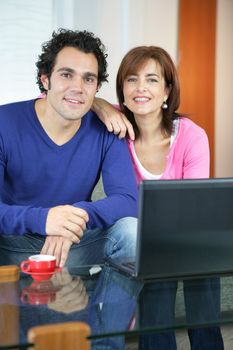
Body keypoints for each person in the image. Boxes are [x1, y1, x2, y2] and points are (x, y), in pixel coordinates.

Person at [95, 46, 224, 349]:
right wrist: (100, 105)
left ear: (167, 90)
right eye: (131, 79)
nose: (140, 88)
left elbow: (193, 205)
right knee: (155, 259)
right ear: (122, 90)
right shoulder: (116, 130)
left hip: (188, 231)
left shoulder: (191, 135)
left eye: (152, 80)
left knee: (200, 253)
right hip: (142, 238)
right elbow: (70, 100)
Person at [0, 28, 138, 269]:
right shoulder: (4, 122)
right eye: (66, 75)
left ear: (96, 88)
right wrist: (45, 220)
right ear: (45, 79)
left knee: (132, 233)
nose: (78, 87)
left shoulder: (108, 128)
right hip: (11, 246)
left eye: (88, 78)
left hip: (73, 245)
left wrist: (73, 218)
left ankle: (98, 306)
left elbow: (128, 200)